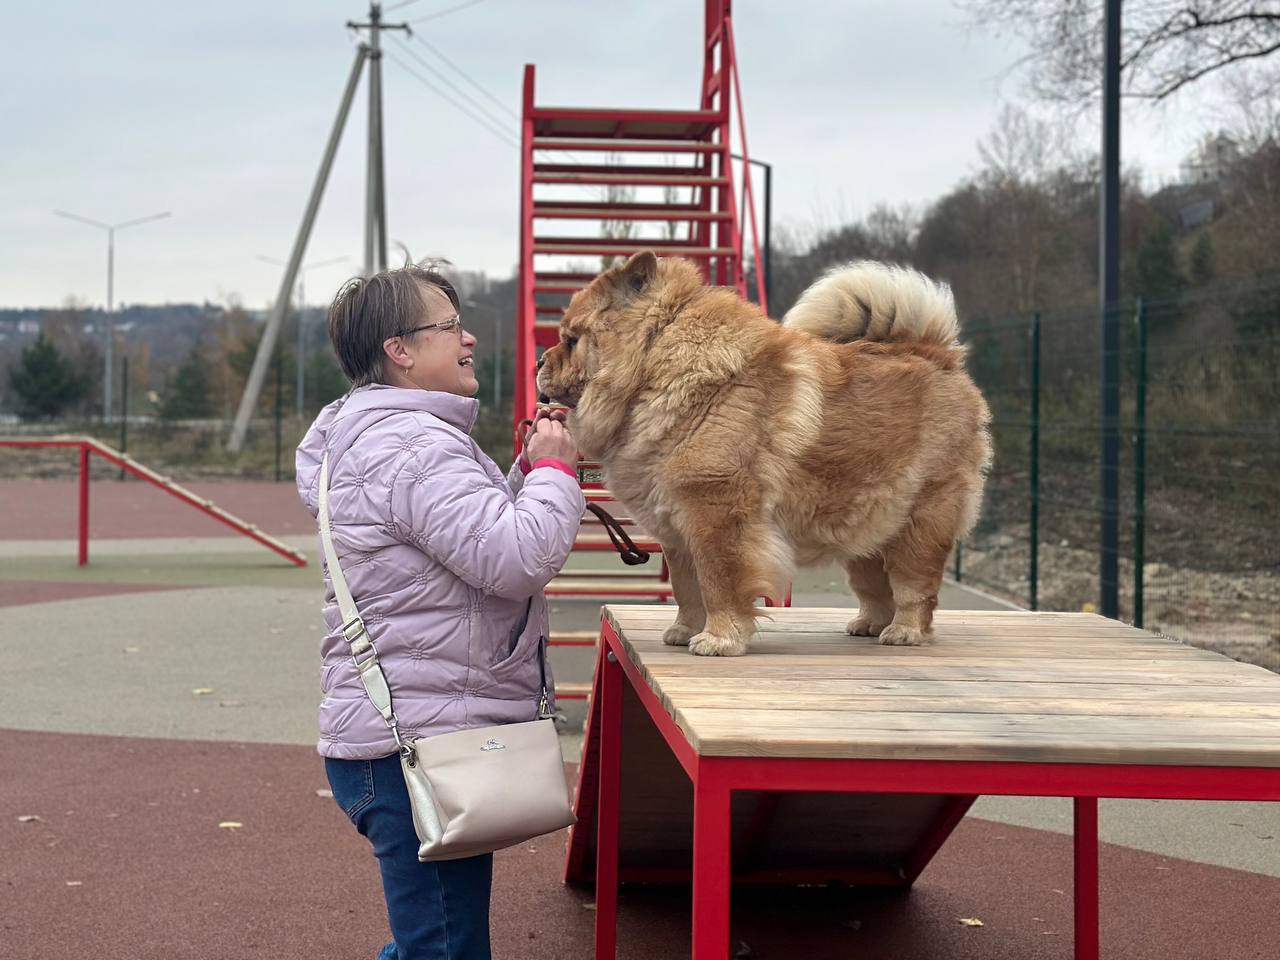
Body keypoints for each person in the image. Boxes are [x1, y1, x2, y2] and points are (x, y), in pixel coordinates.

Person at [295, 261, 584, 960]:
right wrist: (553, 474)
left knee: (432, 940)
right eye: (450, 326)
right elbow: (515, 559)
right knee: (445, 949)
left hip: (406, 738)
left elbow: (468, 544)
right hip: (418, 746)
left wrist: (526, 472)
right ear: (399, 349)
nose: (469, 340)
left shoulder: (385, 439)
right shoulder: (415, 446)